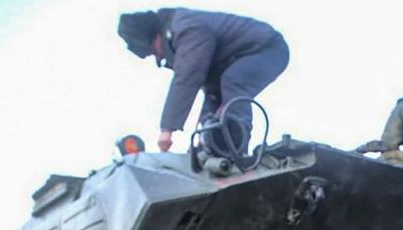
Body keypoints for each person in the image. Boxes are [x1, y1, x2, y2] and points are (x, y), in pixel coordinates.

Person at [117, 8, 289, 153]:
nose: (158, 56)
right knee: (212, 108)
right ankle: (213, 148)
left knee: (234, 82)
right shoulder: (178, 30)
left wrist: (167, 129)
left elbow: (188, 77)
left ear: (155, 38)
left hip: (266, 48)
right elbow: (212, 91)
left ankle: (234, 148)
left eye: (153, 52)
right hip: (232, 63)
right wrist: (203, 136)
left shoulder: (186, 29)